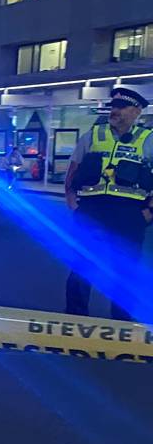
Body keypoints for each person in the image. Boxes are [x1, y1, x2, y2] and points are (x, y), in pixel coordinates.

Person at [64, 86, 153, 321]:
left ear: (136, 111)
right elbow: (73, 169)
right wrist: (71, 199)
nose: (115, 111)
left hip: (129, 214)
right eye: (113, 106)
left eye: (122, 107)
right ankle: (75, 319)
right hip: (92, 210)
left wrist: (149, 211)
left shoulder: (149, 140)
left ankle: (121, 324)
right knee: (82, 267)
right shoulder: (93, 135)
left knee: (125, 271)